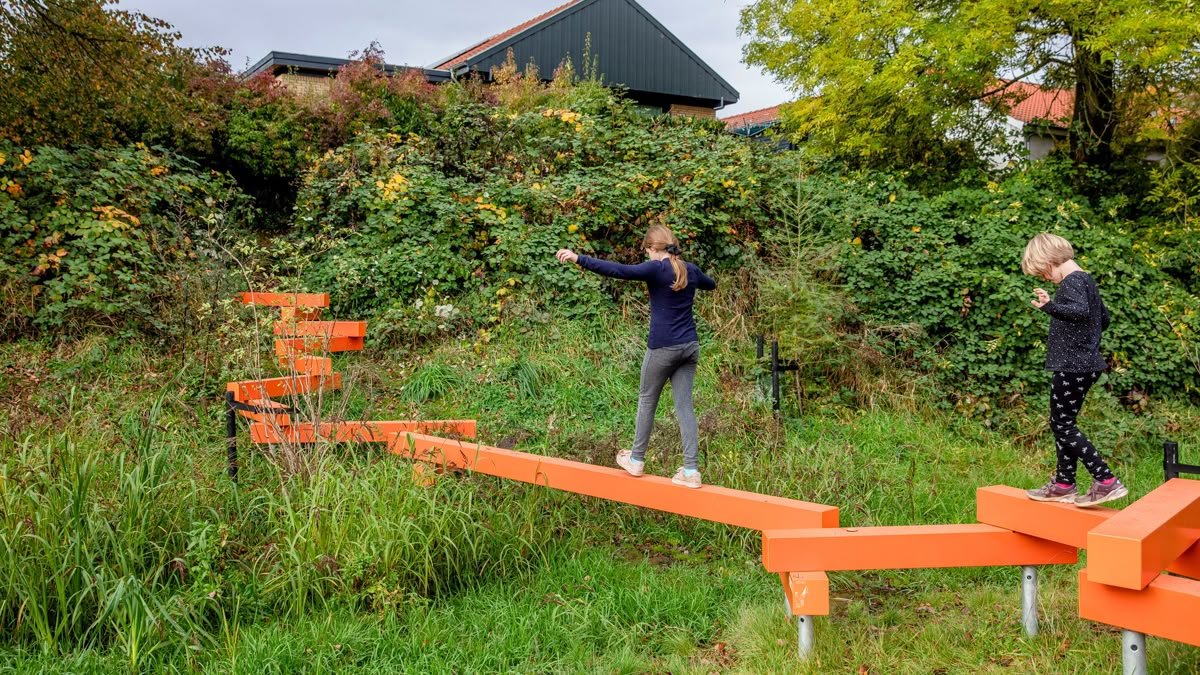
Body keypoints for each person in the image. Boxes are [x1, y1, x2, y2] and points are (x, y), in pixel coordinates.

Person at [556, 225, 716, 489]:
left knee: (647, 399)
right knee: (685, 407)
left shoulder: (656, 268)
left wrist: (578, 258)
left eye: (647, 251)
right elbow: (711, 284)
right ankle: (691, 471)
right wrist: (693, 278)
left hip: (663, 347)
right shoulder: (690, 269)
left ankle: (637, 459)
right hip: (689, 347)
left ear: (653, 249)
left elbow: (618, 270)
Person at [1021, 233, 1128, 508]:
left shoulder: (1072, 281)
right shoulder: (1086, 280)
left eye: (1043, 272)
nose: (1045, 278)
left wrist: (1050, 307)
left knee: (1062, 425)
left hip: (1072, 366)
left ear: (1050, 261)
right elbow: (1102, 319)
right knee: (1062, 424)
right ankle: (1064, 484)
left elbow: (1079, 312)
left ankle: (1105, 481)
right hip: (1085, 364)